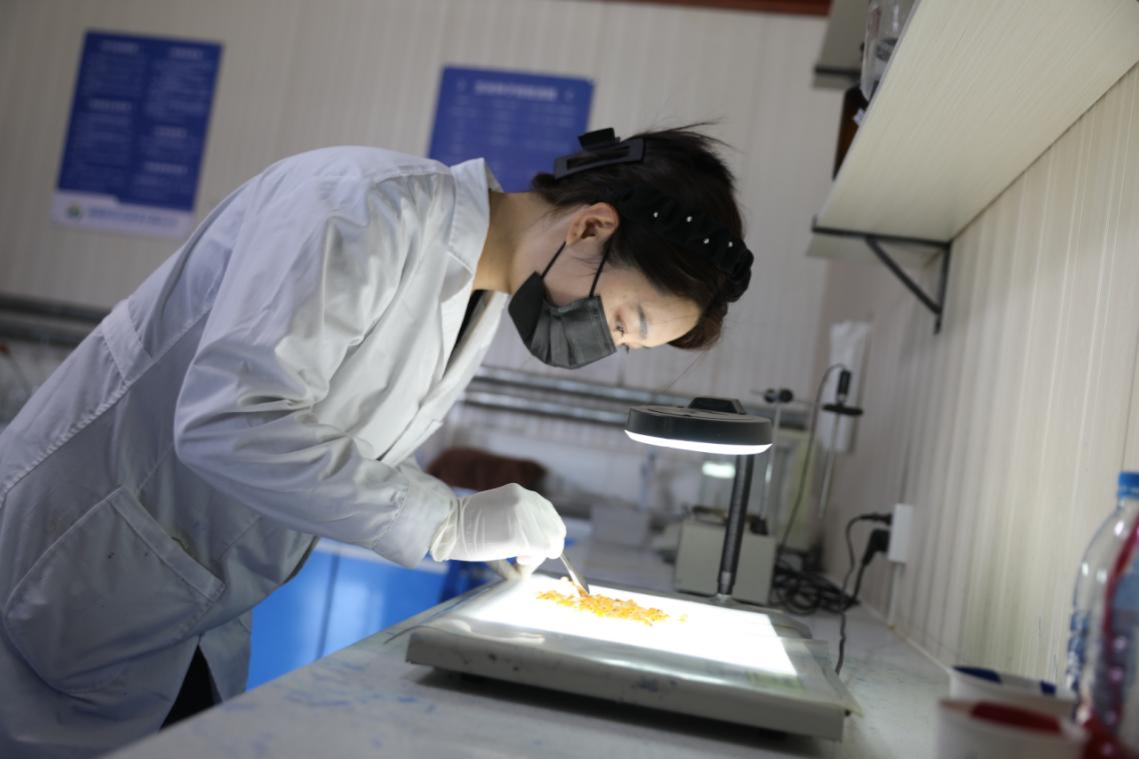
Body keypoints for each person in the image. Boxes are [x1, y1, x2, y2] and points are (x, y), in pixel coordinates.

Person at [0, 126, 753, 757]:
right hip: (79, 565)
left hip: (183, 600)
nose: (607, 347)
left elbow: (335, 443)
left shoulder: (472, 292)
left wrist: (470, 526)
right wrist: (447, 520)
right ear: (589, 226)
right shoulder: (361, 207)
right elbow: (229, 419)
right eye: (623, 322)